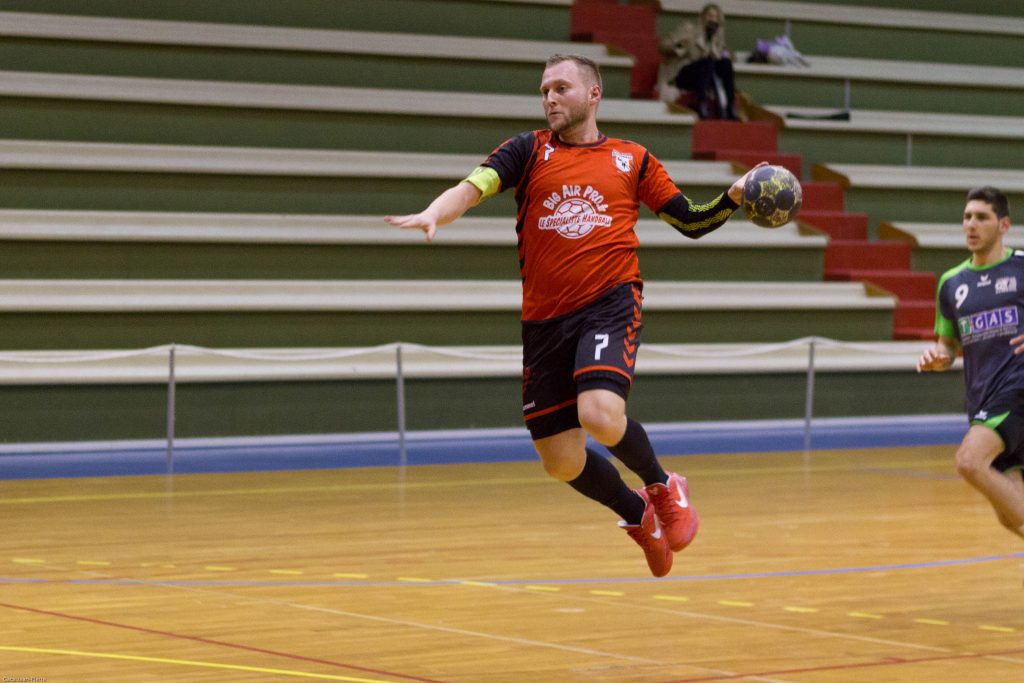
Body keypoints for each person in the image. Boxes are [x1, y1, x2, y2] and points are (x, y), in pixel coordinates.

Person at [385, 54, 762, 577]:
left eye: (561, 88)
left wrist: (732, 198)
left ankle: (663, 485)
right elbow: (473, 187)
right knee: (561, 461)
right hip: (544, 323)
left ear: (593, 94)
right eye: (545, 90)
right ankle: (638, 514)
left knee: (600, 415)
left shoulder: (632, 159)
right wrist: (435, 212)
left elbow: (690, 221)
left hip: (609, 302)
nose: (550, 98)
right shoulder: (527, 150)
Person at [917, 186, 1024, 541]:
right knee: (1011, 515)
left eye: (981, 217)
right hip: (982, 396)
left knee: (969, 461)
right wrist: (938, 358)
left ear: (1004, 224)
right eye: (967, 217)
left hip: (1018, 388)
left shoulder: (1021, 267)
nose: (971, 225)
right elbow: (947, 346)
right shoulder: (951, 283)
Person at [657, 3, 738, 120]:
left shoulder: (717, 39)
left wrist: (723, 52)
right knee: (708, 62)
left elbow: (730, 57)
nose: (712, 20)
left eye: (716, 17)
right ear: (703, 17)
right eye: (710, 16)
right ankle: (701, 103)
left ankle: (730, 105)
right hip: (684, 74)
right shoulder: (689, 30)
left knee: (725, 63)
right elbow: (664, 47)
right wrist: (682, 46)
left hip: (705, 78)